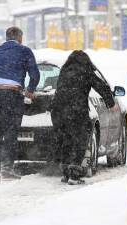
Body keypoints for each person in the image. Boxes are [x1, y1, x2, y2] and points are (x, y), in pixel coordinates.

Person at [50, 50, 116, 185]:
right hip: (76, 110)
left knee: (66, 140)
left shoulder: (64, 71)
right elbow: (101, 86)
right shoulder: (85, 71)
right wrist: (110, 102)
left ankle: (66, 173)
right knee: (80, 140)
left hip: (59, 111)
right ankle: (74, 174)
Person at [0, 27, 40, 180]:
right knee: (10, 130)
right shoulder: (24, 51)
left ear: (7, 37)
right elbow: (35, 74)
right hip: (11, 91)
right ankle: (7, 168)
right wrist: (30, 90)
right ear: (20, 38)